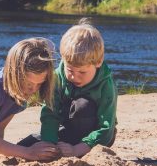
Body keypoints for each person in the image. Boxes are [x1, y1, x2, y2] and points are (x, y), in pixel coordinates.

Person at [21, 19, 117, 158]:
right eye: (70, 70)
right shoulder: (57, 78)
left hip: (98, 137)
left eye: (82, 72)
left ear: (98, 62)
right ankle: (62, 145)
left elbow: (106, 128)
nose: (74, 77)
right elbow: (50, 113)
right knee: (26, 144)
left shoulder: (106, 84)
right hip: (67, 128)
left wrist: (78, 149)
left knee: (82, 106)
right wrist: (49, 142)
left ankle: (76, 148)